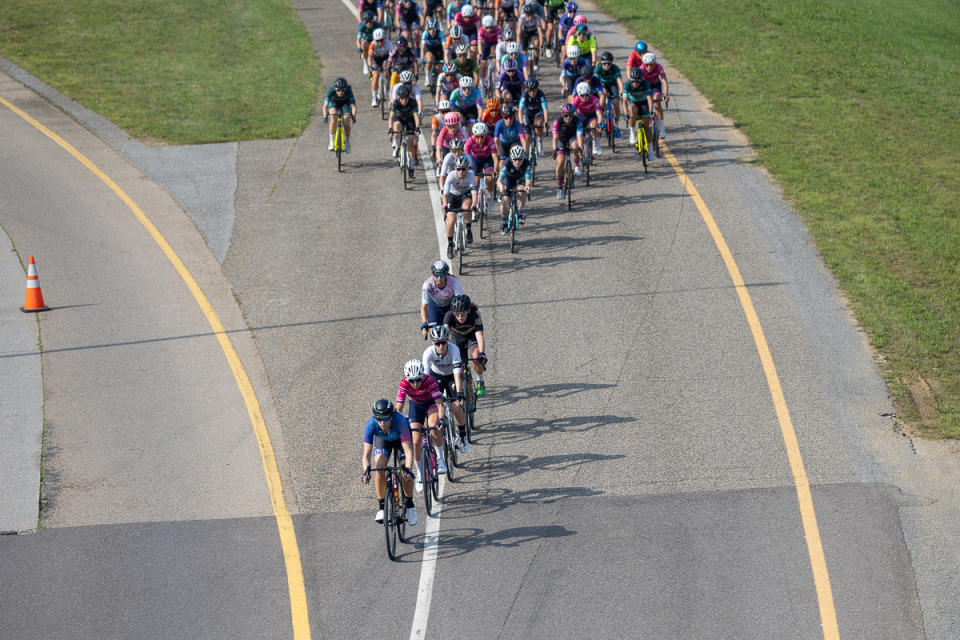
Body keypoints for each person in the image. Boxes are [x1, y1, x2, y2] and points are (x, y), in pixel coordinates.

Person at [361, 399, 418, 525]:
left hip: (401, 442)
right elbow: (366, 454)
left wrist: (408, 469)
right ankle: (382, 507)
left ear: (391, 415)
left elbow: (408, 452)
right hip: (384, 441)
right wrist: (366, 471)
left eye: (386, 419)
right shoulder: (371, 424)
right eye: (379, 419)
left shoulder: (401, 421)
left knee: (404, 471)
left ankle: (409, 504)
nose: (382, 423)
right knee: (380, 468)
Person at [395, 360, 447, 492]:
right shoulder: (404, 383)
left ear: (422, 376)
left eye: (418, 380)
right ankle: (420, 474)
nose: (415, 384)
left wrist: (441, 419)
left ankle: (441, 459)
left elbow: (440, 404)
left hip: (431, 404)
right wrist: (396, 422)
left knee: (433, 427)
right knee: (416, 441)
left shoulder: (429, 381)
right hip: (416, 406)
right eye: (412, 381)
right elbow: (399, 406)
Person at [423, 325, 469, 453]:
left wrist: (459, 393)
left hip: (451, 377)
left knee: (455, 406)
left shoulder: (454, 350)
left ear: (447, 341)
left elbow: (457, 374)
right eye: (437, 343)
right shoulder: (428, 352)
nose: (441, 346)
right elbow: (426, 378)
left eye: (443, 342)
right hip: (435, 376)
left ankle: (463, 435)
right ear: (434, 343)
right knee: (435, 408)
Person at [443, 294, 488, 396]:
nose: (460, 317)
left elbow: (479, 335)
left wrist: (482, 353)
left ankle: (480, 380)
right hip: (456, 338)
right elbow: (445, 334)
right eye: (457, 314)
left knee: (476, 357)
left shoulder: (475, 314)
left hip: (471, 336)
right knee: (458, 363)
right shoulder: (449, 315)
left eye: (462, 314)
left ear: (468, 310)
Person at [441, 155, 477, 255]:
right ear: (455, 169)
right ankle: (450, 244)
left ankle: (468, 229)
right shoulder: (451, 175)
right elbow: (445, 194)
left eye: (463, 169)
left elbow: (474, 193)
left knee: (466, 208)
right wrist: (445, 206)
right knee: (451, 220)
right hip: (452, 196)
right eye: (458, 169)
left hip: (465, 195)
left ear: (467, 169)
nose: (461, 171)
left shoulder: (470, 175)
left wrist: (474, 205)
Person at [389, 85, 421, 176]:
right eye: (401, 99)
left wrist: (417, 128)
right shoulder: (396, 102)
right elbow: (391, 117)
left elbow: (416, 117)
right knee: (397, 127)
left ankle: (411, 167)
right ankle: (396, 146)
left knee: (410, 140)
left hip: (410, 120)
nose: (404, 101)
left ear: (409, 97)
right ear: (399, 97)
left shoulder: (413, 102)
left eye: (406, 99)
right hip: (399, 118)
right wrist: (390, 129)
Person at [497, 145, 532, 232]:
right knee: (505, 200)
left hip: (520, 179)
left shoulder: (527, 163)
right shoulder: (507, 163)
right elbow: (499, 180)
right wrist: (501, 187)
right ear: (511, 158)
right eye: (515, 159)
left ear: (523, 158)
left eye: (520, 159)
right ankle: (504, 221)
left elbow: (528, 179)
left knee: (521, 190)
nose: (517, 162)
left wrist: (527, 186)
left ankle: (521, 210)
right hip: (508, 179)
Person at [421, 260, 463, 331]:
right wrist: (424, 323)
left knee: (452, 329)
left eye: (442, 275)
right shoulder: (427, 284)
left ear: (446, 274)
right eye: (436, 275)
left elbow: (460, 302)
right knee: (434, 332)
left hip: (450, 306)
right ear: (432, 274)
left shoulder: (454, 281)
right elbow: (424, 307)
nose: (439, 278)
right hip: (435, 307)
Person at [465, 121, 500, 205]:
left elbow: (495, 158)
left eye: (482, 136)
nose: (480, 139)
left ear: (486, 135)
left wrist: (495, 170)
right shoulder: (469, 141)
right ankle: (475, 202)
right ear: (474, 135)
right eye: (477, 137)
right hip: (475, 159)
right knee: (475, 180)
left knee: (489, 179)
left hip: (487, 159)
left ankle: (491, 198)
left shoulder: (490, 140)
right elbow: (466, 156)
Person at [552, 102, 581, 197]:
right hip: (561, 139)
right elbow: (555, 137)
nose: (568, 118)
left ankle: (577, 164)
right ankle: (559, 187)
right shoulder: (557, 122)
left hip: (572, 137)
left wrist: (580, 147)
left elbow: (580, 135)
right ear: (562, 114)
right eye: (566, 115)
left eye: (570, 115)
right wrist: (554, 150)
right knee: (560, 161)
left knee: (575, 146)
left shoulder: (577, 120)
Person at [621, 66, 654, 148]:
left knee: (647, 127)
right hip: (633, 102)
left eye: (637, 82)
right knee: (632, 110)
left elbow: (649, 99)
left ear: (641, 80)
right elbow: (624, 101)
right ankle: (632, 132)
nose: (635, 83)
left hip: (644, 103)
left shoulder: (645, 83)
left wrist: (651, 111)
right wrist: (626, 114)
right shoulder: (628, 84)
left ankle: (650, 149)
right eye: (633, 81)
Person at [323, 78, 358, 154]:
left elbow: (354, 107)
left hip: (345, 104)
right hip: (334, 103)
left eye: (342, 90)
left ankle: (347, 142)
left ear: (345, 89)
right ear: (335, 89)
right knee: (333, 117)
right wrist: (325, 116)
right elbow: (325, 106)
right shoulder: (331, 91)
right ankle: (331, 141)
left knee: (345, 123)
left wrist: (353, 116)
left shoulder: (349, 91)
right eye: (338, 90)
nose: (340, 92)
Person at [639, 52, 669, 139]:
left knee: (657, 103)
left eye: (651, 65)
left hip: (655, 86)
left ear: (654, 63)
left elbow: (664, 82)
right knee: (646, 105)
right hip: (645, 87)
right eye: (647, 65)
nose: (649, 67)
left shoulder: (659, 67)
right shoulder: (641, 69)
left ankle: (661, 129)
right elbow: (639, 84)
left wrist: (666, 95)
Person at [594, 51, 624, 136]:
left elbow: (619, 81)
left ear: (612, 63)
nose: (607, 65)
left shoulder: (615, 68)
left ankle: (616, 125)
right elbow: (595, 82)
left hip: (612, 85)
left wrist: (621, 91)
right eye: (604, 64)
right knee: (603, 94)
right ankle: (601, 113)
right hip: (602, 85)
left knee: (616, 104)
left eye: (609, 64)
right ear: (601, 64)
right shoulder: (598, 68)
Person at [571, 80, 602, 156]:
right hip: (580, 116)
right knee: (580, 134)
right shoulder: (576, 100)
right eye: (582, 95)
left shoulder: (594, 99)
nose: (584, 97)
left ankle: (595, 143)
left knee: (593, 126)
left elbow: (599, 114)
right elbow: (571, 113)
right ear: (578, 94)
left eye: (586, 95)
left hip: (591, 115)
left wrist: (599, 124)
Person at [518, 77, 548, 154]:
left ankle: (539, 140)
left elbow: (545, 109)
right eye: (530, 90)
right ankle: (526, 157)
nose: (532, 93)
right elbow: (520, 110)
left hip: (538, 113)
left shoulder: (541, 95)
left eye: (534, 90)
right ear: (527, 90)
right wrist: (521, 122)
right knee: (527, 138)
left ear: (537, 89)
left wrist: (546, 122)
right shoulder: (524, 96)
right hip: (527, 114)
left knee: (539, 124)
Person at [368, 29, 395, 107]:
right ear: (375, 40)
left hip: (386, 60)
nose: (379, 42)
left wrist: (392, 66)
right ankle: (374, 97)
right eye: (377, 41)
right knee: (375, 76)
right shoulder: (372, 44)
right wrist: (370, 67)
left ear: (384, 39)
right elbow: (369, 58)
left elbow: (392, 57)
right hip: (375, 61)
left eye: (381, 40)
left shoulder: (389, 44)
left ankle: (387, 85)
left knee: (387, 70)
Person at [357, 11, 384, 75]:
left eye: (370, 21)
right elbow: (358, 40)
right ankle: (365, 63)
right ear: (364, 22)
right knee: (364, 44)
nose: (369, 23)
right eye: (367, 22)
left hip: (375, 39)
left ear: (373, 20)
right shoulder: (362, 27)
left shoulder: (378, 25)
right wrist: (359, 47)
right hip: (366, 39)